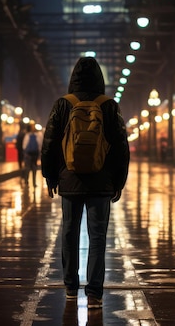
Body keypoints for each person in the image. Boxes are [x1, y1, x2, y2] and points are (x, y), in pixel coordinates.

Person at [41, 56, 129, 309]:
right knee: (98, 235)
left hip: (69, 180)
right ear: (100, 79)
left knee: (69, 231)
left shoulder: (63, 104)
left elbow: (49, 144)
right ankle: (94, 293)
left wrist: (50, 176)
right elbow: (122, 147)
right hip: (101, 182)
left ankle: (70, 286)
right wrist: (118, 181)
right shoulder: (109, 105)